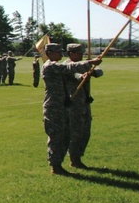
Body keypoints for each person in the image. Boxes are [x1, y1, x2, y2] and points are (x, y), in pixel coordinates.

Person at [40, 43, 102, 175]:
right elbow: (67, 67)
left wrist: (85, 73)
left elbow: (71, 72)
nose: (61, 54)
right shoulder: (50, 66)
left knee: (65, 136)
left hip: (63, 106)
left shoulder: (56, 66)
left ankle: (60, 164)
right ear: (49, 53)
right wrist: (89, 62)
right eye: (58, 52)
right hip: (54, 107)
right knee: (56, 137)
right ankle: (55, 166)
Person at [65, 43, 103, 169]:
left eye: (82, 52)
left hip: (85, 102)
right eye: (78, 52)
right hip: (74, 103)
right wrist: (82, 76)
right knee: (76, 132)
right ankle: (74, 159)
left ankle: (78, 156)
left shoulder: (84, 64)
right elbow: (73, 75)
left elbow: (100, 72)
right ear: (71, 53)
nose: (81, 55)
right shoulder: (66, 65)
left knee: (85, 132)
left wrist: (91, 72)